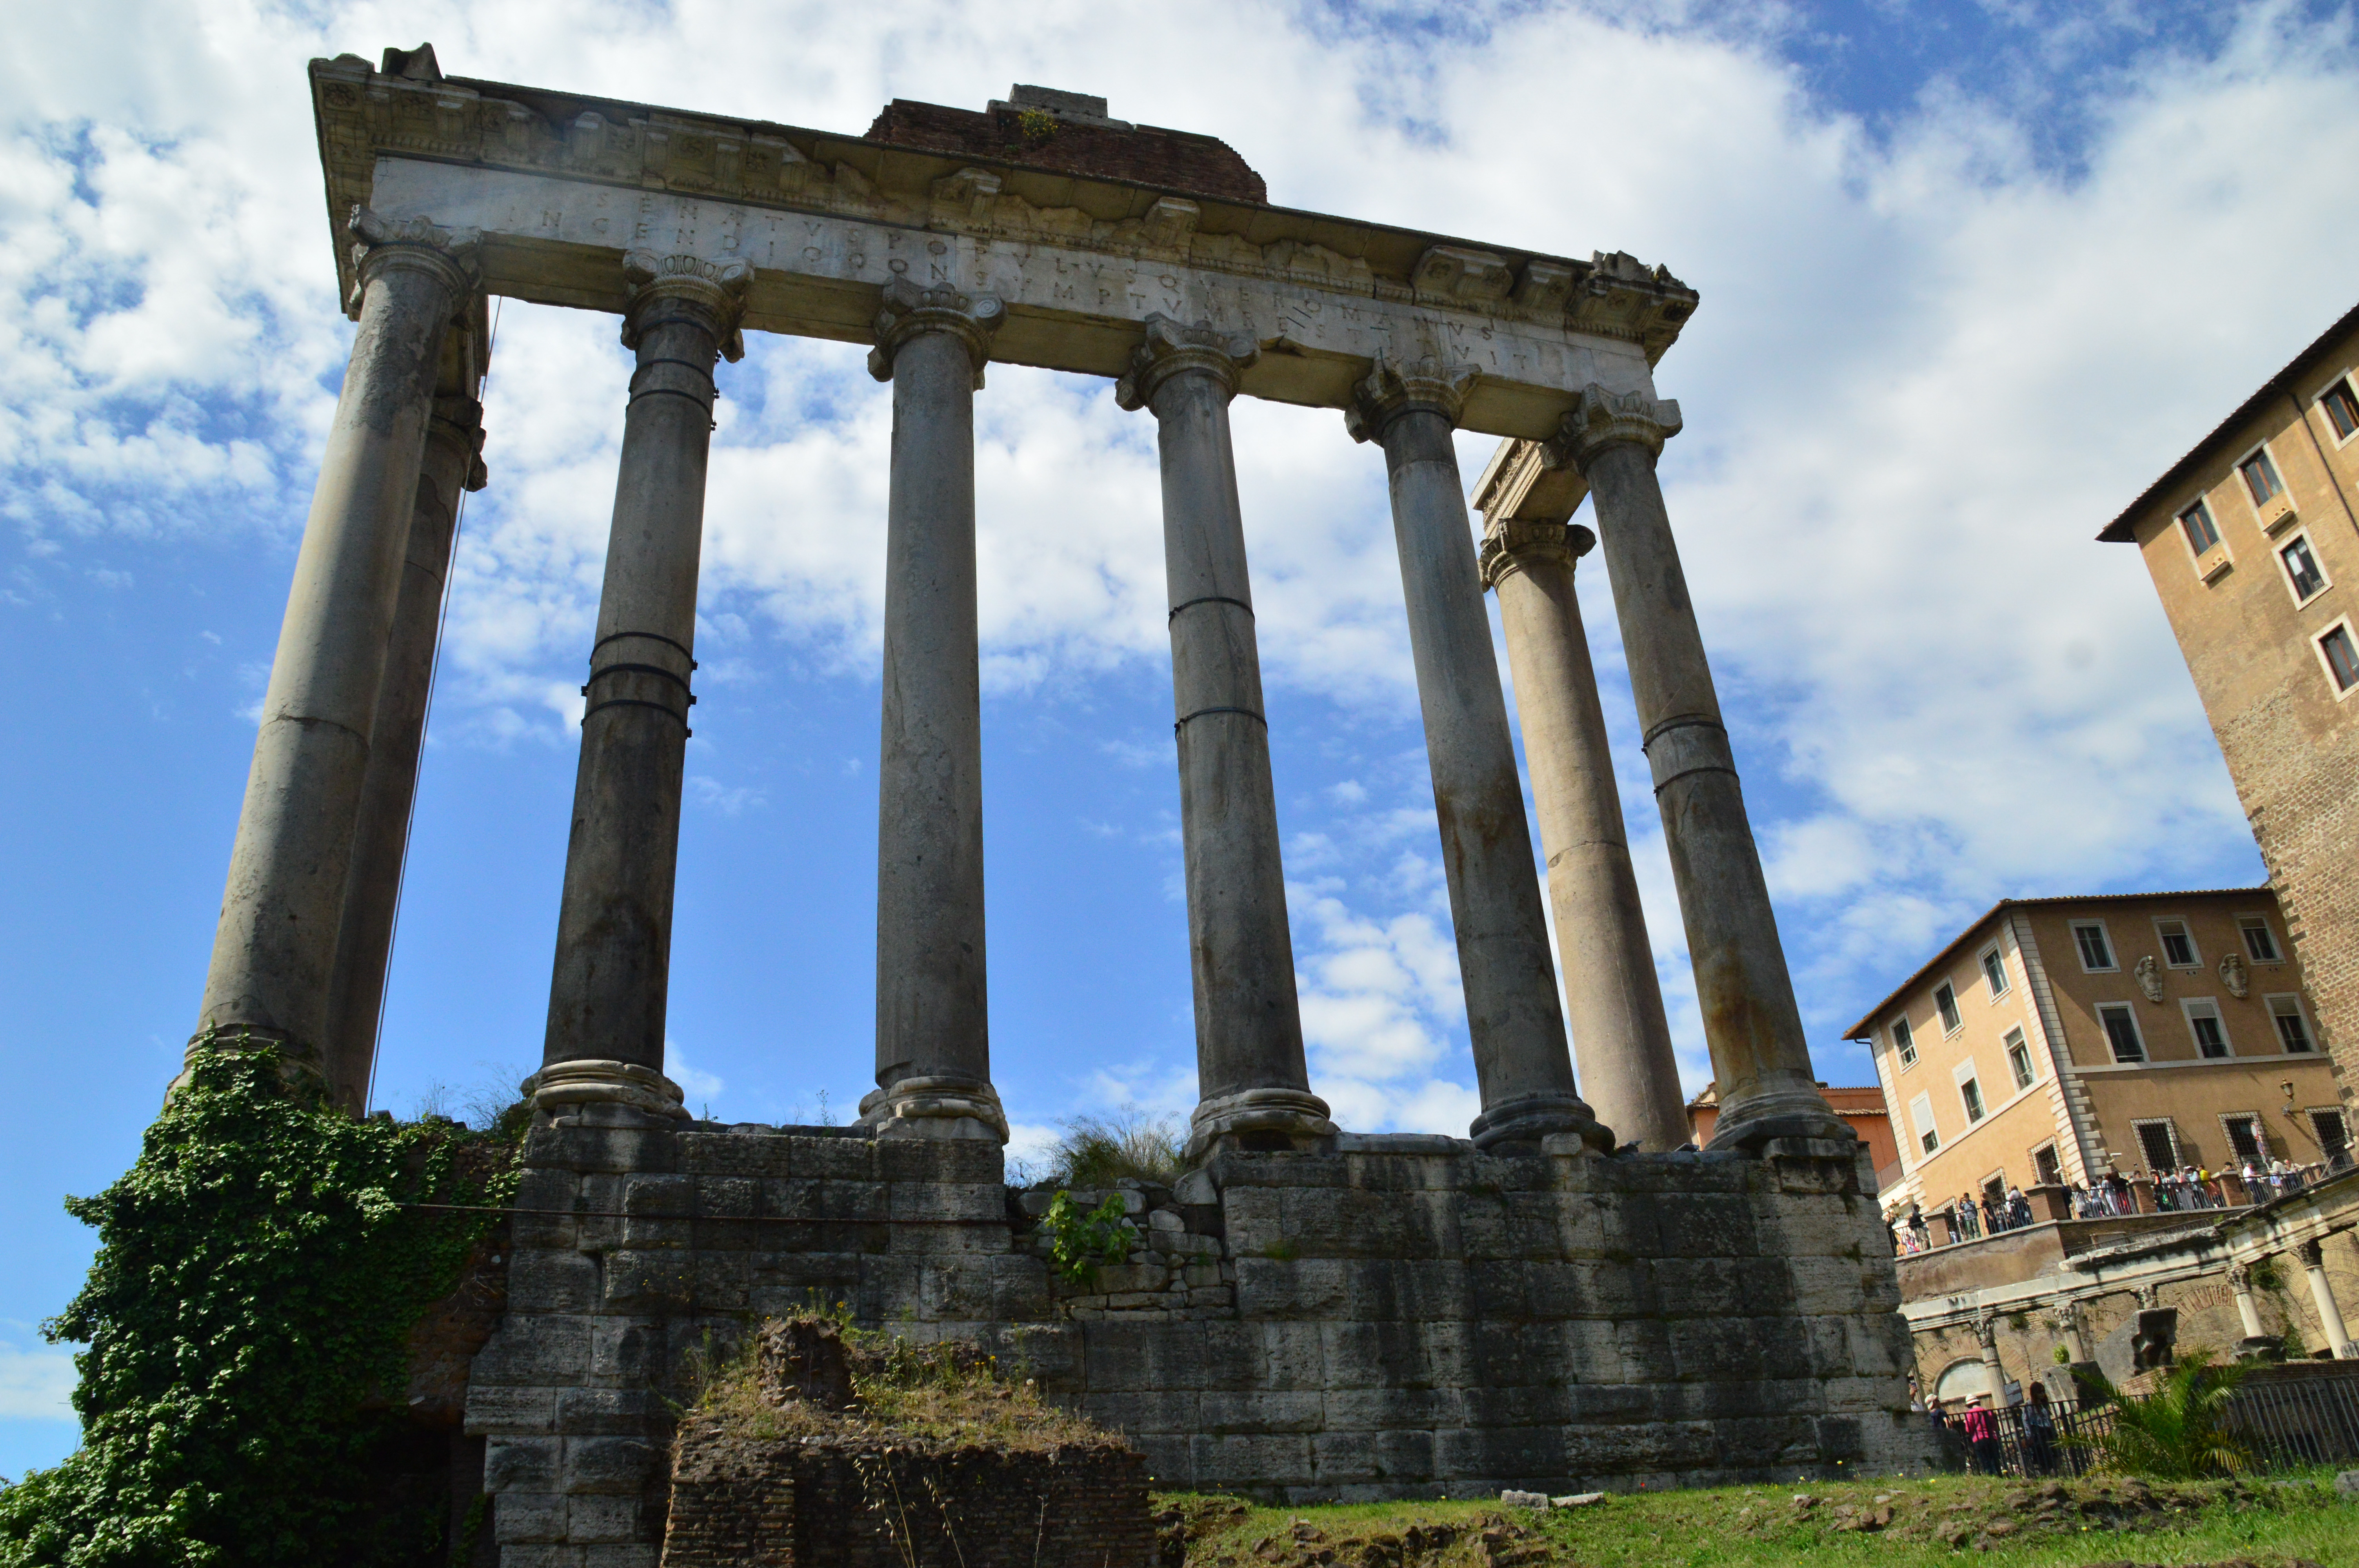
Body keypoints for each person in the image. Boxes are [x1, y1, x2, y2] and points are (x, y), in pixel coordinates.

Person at [2022, 1383, 2058, 1476]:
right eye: (2040, 1392)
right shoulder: (2029, 1405)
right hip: (2039, 1433)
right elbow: (2026, 1421)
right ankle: (2046, 1474)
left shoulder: (2043, 1405)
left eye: (2043, 1392)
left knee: (2056, 1454)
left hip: (2048, 1431)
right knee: (2044, 1457)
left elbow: (2048, 1419)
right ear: (2035, 1393)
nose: (2042, 1394)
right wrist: (2029, 1435)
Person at [1959, 1396, 2003, 1475]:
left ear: (1969, 1405)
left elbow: (1968, 1430)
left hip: (1979, 1440)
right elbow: (1995, 1426)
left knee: (1985, 1462)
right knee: (1995, 1461)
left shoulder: (1970, 1414)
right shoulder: (1988, 1412)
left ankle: (1991, 1478)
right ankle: (1999, 1476)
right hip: (1992, 1438)